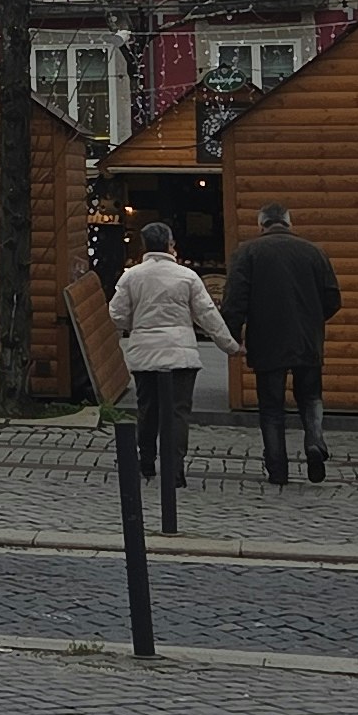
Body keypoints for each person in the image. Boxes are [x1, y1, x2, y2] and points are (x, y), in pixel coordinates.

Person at [107, 222, 231, 525]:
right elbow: (207, 314)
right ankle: (175, 471)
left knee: (147, 407)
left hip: (145, 354)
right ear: (171, 244)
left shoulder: (131, 277)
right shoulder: (187, 277)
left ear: (143, 245)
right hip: (181, 354)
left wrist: (132, 325)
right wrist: (229, 345)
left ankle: (146, 461)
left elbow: (116, 314)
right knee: (177, 412)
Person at [222, 199, 340, 487]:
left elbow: (234, 302)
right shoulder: (314, 252)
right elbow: (333, 299)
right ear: (290, 223)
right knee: (310, 397)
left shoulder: (247, 252)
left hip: (267, 341)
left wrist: (233, 338)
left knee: (272, 407)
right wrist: (312, 319)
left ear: (261, 224)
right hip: (307, 340)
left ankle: (277, 470)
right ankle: (314, 441)